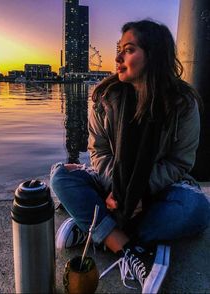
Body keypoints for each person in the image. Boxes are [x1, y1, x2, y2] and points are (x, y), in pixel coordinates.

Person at [50, 19, 210, 293]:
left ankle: (93, 226)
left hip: (157, 190)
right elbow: (98, 151)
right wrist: (120, 190)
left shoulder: (183, 104)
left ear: (153, 55)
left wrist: (140, 192)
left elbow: (179, 162)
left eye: (129, 49)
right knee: (61, 176)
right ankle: (128, 245)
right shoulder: (105, 97)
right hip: (113, 185)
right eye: (118, 49)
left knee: (196, 209)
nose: (117, 57)